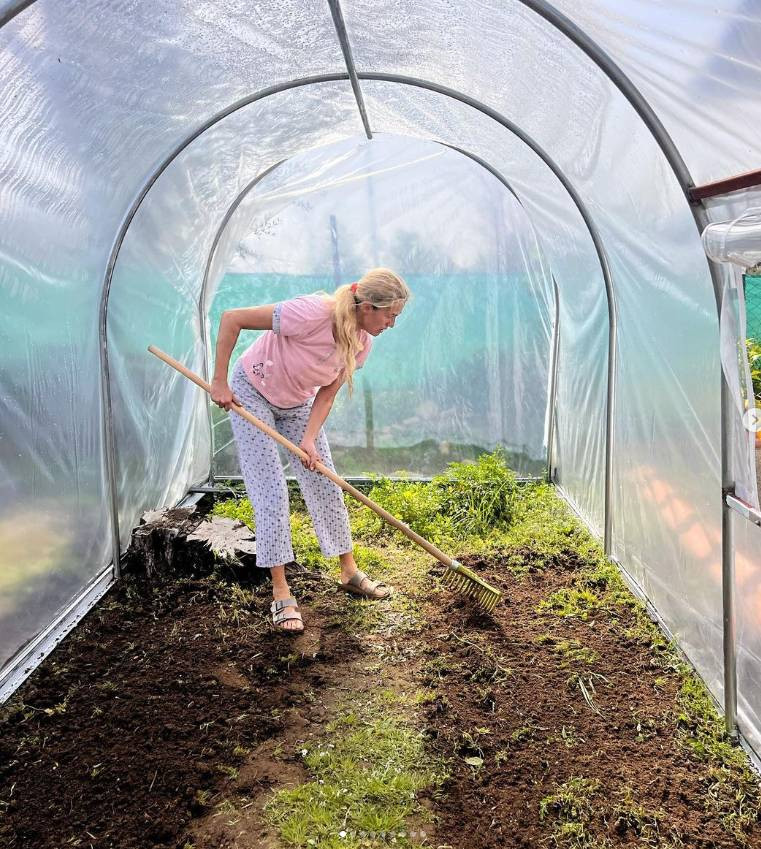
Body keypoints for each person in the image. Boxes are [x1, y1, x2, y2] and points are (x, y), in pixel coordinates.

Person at [210, 267, 411, 633]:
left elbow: (328, 391)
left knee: (324, 480)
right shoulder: (309, 313)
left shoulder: (362, 342)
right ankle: (280, 591)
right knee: (271, 490)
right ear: (368, 306)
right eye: (390, 315)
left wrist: (309, 438)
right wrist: (220, 380)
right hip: (251, 392)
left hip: (297, 403)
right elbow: (232, 318)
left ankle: (349, 571)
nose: (392, 324)